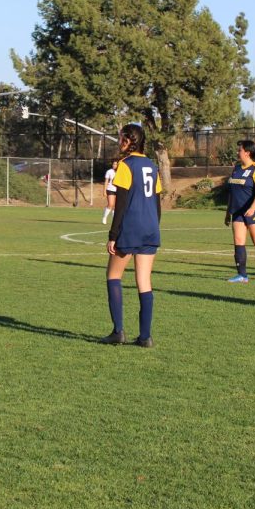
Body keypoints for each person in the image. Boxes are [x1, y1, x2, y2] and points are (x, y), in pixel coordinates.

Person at [101, 124, 161, 348]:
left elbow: (122, 203)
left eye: (120, 138)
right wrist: (153, 225)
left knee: (113, 276)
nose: (119, 142)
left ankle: (118, 332)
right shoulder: (152, 166)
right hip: (150, 228)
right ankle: (145, 337)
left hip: (131, 228)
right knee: (144, 282)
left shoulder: (126, 166)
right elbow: (157, 203)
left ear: (128, 140)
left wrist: (113, 234)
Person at [224, 140, 255, 283]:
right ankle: (242, 275)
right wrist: (228, 212)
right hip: (237, 211)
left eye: (239, 150)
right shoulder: (237, 168)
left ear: (247, 152)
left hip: (254, 211)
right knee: (238, 241)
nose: (237, 152)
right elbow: (232, 192)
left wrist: (252, 208)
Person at [101, 160, 119, 225]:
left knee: (115, 206)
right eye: (113, 164)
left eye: (116, 164)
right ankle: (104, 217)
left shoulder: (120, 172)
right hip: (110, 189)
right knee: (111, 204)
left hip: (118, 190)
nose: (114, 165)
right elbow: (106, 181)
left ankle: (114, 221)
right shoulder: (109, 171)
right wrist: (104, 191)